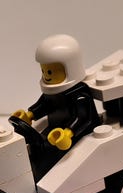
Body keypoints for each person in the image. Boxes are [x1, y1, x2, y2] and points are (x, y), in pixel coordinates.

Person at [12, 34, 100, 169]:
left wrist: (69, 132)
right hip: (56, 129)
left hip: (79, 134)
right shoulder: (52, 93)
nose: (46, 75)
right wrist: (30, 115)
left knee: (50, 155)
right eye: (44, 70)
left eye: (50, 72)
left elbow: (82, 118)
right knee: (39, 147)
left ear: (69, 68)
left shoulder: (80, 94)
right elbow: (44, 105)